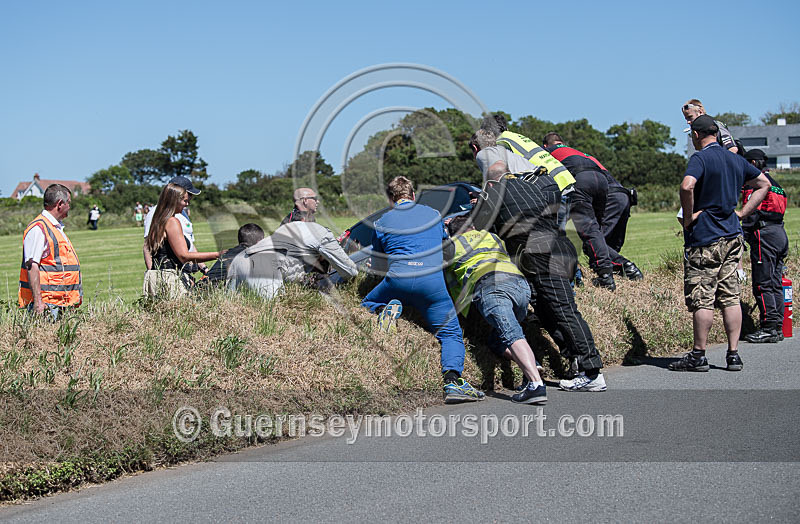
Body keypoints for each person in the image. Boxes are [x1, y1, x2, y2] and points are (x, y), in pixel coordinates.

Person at [471, 161, 607, 392]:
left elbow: (479, 226)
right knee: (547, 310)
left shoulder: (494, 192)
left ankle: (591, 371)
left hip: (541, 254)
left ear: (490, 181)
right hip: (559, 247)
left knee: (564, 311)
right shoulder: (531, 186)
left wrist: (479, 204)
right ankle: (576, 361)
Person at [361, 176, 485, 403]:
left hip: (398, 280)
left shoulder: (381, 222)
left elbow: (378, 265)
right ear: (413, 195)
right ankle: (452, 381)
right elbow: (445, 248)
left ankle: (383, 309)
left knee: (367, 302)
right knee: (450, 333)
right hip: (432, 284)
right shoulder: (434, 215)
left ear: (391, 199)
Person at [669, 116, 770, 373]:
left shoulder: (700, 158)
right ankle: (733, 354)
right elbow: (764, 184)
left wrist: (689, 217)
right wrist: (742, 212)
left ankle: (699, 354)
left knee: (702, 297)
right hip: (732, 234)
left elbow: (687, 186)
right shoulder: (735, 159)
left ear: (696, 135)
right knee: (730, 296)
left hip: (706, 236)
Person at [444, 215, 546, 404]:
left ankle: (536, 384)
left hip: (491, 284)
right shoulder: (491, 236)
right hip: (519, 285)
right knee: (499, 339)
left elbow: (449, 281)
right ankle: (532, 366)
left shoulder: (452, 245)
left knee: (511, 334)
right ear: (472, 227)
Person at [542, 132, 643, 287]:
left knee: (590, 236)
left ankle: (615, 271)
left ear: (545, 146)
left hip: (591, 186)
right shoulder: (580, 153)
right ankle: (618, 269)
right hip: (617, 192)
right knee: (598, 238)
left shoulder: (547, 152)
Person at [228, 211, 357, 299]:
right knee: (272, 316)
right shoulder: (320, 232)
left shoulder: (283, 233)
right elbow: (350, 271)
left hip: (239, 260)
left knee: (232, 307)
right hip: (265, 266)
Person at [740, 149, 789, 344]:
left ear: (752, 163)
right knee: (775, 282)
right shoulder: (777, 185)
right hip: (780, 233)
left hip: (764, 235)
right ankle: (777, 326)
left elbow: (750, 212)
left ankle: (768, 327)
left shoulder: (756, 185)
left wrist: (742, 235)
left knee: (763, 283)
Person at [143, 183, 224, 298]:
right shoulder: (172, 222)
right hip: (170, 279)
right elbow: (184, 256)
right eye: (185, 201)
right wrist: (218, 255)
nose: (187, 204)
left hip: (156, 278)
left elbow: (148, 249)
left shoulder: (157, 221)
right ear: (174, 201)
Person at [19, 184, 82, 319]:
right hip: (48, 305)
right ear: (60, 204)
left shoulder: (54, 227)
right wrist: (38, 302)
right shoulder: (39, 228)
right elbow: (32, 266)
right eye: (68, 203)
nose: (69, 206)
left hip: (61, 303)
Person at [143, 176, 209, 276]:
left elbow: (189, 244)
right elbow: (148, 247)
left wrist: (203, 268)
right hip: (170, 273)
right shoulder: (155, 213)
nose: (190, 198)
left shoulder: (182, 212)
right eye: (189, 194)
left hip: (183, 272)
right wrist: (153, 273)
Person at [199, 223, 265, 286]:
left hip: (200, 287)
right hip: (211, 290)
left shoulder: (229, 252)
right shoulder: (249, 256)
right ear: (258, 242)